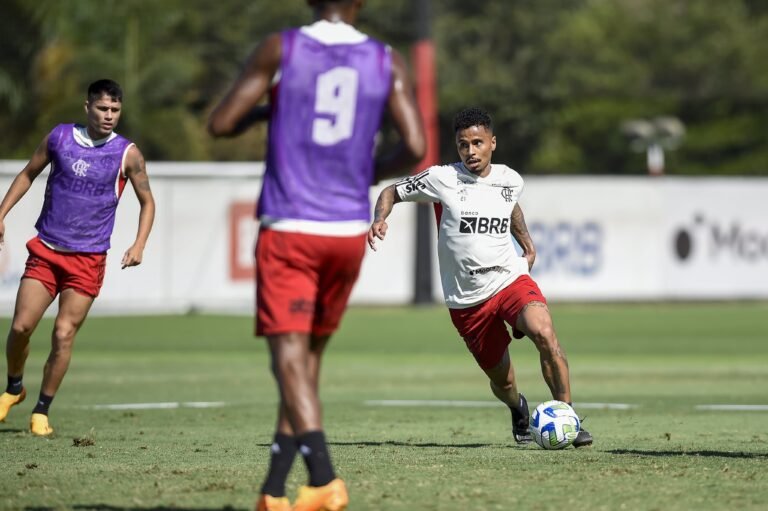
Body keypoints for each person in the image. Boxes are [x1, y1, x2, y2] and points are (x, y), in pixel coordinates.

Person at [207, 0, 425, 509]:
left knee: (287, 358)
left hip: (291, 225)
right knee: (305, 362)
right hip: (348, 231)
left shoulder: (280, 48)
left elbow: (220, 124)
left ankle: (324, 476)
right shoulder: (386, 59)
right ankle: (273, 489)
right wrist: (364, 173)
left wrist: (266, 109)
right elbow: (415, 145)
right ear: (360, 4)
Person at [368, 107, 592, 449]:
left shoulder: (509, 179)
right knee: (504, 381)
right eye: (463, 145)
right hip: (467, 300)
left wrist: (528, 246)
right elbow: (391, 192)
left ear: (492, 143)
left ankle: (569, 420)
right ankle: (518, 407)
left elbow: (510, 206)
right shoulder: (441, 179)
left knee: (545, 333)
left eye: (477, 142)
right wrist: (379, 219)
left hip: (509, 280)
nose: (470, 151)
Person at [0, 79, 155, 437]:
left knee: (63, 334)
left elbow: (148, 202)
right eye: (103, 109)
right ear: (87, 107)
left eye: (115, 110)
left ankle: (42, 410)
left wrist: (139, 244)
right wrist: (2, 212)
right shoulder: (60, 138)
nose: (109, 116)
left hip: (87, 260)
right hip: (47, 250)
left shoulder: (127, 153)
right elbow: (27, 174)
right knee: (22, 326)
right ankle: (14, 387)